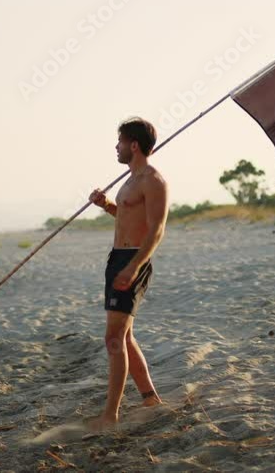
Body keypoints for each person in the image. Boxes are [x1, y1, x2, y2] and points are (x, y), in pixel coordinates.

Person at [85, 116, 169, 431]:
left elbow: (156, 230)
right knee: (125, 337)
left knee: (113, 339)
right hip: (118, 258)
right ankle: (150, 399)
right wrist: (106, 205)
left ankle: (110, 416)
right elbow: (128, 218)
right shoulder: (130, 181)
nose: (116, 147)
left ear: (133, 145)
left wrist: (134, 266)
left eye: (120, 141)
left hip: (133, 260)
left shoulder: (153, 180)